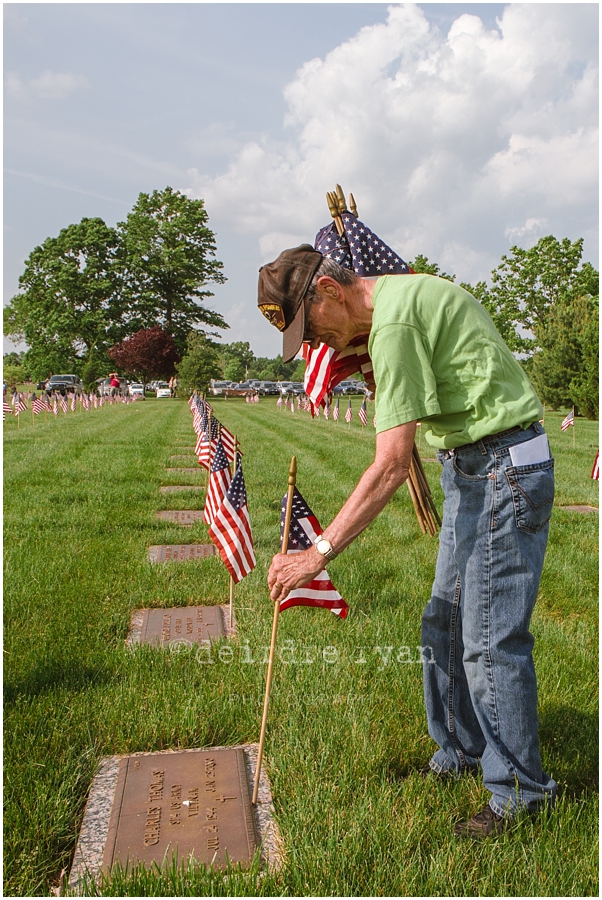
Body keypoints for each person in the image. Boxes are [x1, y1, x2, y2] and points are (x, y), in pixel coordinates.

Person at [258, 245, 556, 838]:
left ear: (329, 293)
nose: (316, 346)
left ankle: (520, 795)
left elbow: (391, 465)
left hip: (503, 470)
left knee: (489, 640)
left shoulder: (393, 323)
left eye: (310, 329)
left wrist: (314, 556)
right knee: (443, 623)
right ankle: (459, 753)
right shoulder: (396, 303)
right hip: (476, 467)